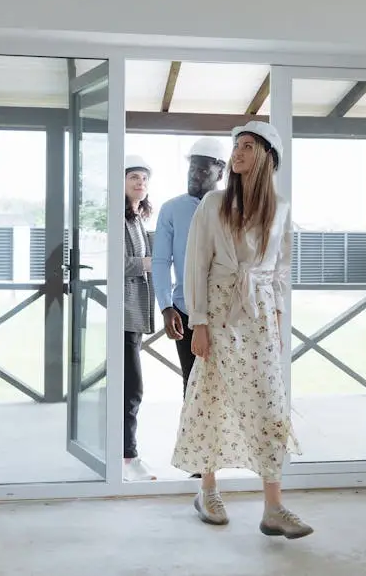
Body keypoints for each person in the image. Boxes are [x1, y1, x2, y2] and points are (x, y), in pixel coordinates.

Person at [171, 121, 313, 539]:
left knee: (270, 405)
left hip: (261, 316)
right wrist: (198, 321)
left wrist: (278, 318)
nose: (237, 153)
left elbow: (282, 270)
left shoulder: (281, 207)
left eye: (247, 146)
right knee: (213, 399)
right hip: (218, 315)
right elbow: (195, 264)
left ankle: (273, 506)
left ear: (266, 156)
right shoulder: (213, 204)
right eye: (236, 146)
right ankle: (208, 489)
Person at [151, 138, 228, 398]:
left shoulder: (232, 206)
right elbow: (161, 260)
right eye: (191, 168)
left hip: (226, 311)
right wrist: (165, 305)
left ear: (221, 170)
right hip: (185, 311)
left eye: (203, 169)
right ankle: (191, 440)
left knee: (226, 386)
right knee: (193, 385)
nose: (194, 175)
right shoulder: (171, 209)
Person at [123, 154, 157, 482]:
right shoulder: (120, 220)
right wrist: (147, 263)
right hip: (124, 314)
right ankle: (128, 456)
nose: (140, 183)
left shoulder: (137, 220)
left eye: (144, 179)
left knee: (129, 387)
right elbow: (117, 264)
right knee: (132, 388)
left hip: (135, 314)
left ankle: (125, 454)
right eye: (134, 176)